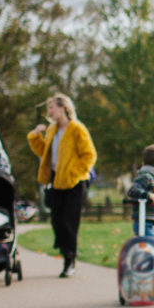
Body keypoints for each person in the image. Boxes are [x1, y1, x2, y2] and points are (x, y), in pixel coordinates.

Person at [28, 93, 97, 277]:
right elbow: (44, 152)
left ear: (62, 108)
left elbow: (89, 155)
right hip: (56, 181)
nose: (48, 111)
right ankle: (65, 250)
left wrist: (74, 172)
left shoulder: (77, 129)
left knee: (69, 222)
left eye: (51, 107)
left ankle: (70, 259)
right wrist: (35, 137)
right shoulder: (52, 130)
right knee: (57, 221)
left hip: (75, 183)